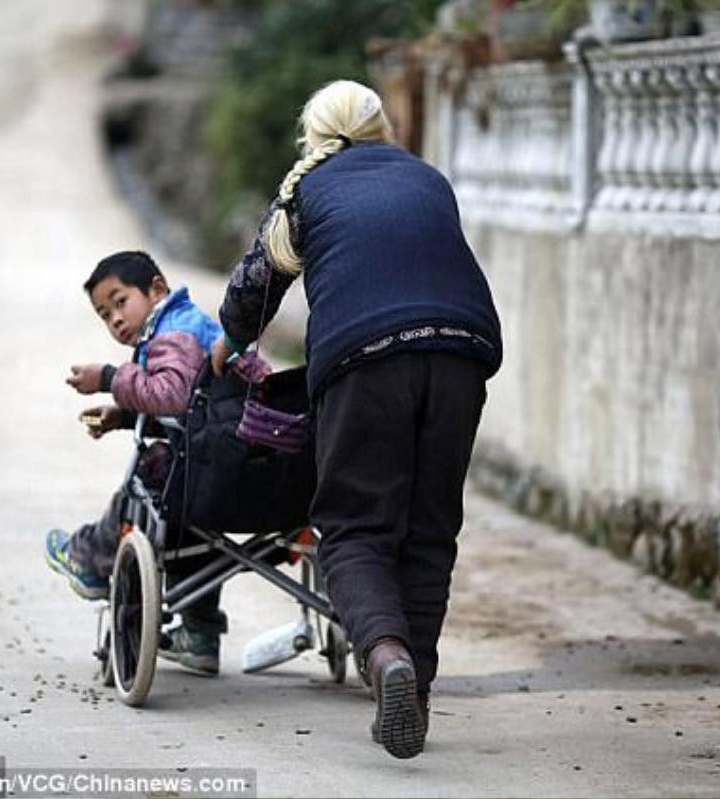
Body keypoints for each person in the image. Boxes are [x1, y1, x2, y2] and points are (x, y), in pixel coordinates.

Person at [211, 80, 502, 758]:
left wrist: (224, 349)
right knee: (429, 531)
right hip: (462, 352)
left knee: (353, 528)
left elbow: (256, 286)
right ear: (381, 127)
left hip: (364, 358)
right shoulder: (427, 179)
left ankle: (387, 657)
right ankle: (414, 693)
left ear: (313, 135)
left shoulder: (308, 191)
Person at [44, 250, 231, 676]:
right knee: (197, 531)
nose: (114, 319)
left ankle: (90, 555)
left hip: (201, 467)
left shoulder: (175, 333)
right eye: (104, 314)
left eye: (120, 301)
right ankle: (200, 634)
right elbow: (191, 404)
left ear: (157, 289)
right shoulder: (194, 329)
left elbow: (173, 396)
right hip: (236, 463)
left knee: (146, 481)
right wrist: (124, 415)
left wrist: (109, 379)